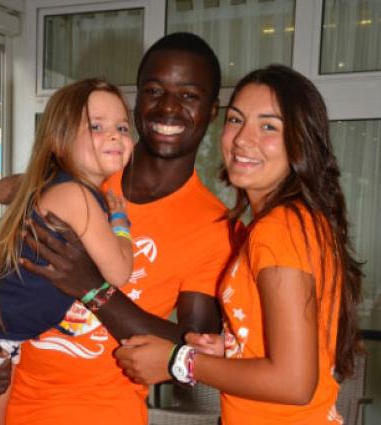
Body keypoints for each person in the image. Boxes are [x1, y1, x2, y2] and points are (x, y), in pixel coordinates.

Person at [0, 33, 233, 425]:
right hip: (8, 395)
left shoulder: (213, 226)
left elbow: (191, 355)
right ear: (137, 102)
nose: (167, 107)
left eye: (189, 96)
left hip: (101, 413)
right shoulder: (85, 173)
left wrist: (89, 286)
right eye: (154, 90)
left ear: (212, 110)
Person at [115, 65, 363, 424]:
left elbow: (294, 382)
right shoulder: (296, 221)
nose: (243, 139)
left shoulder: (280, 230)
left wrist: (178, 361)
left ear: (301, 140)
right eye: (235, 120)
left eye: (268, 126)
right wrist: (232, 351)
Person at [0, 78, 134, 424]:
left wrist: (33, 179)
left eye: (122, 126)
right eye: (96, 126)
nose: (116, 136)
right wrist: (121, 223)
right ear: (59, 140)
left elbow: (0, 191)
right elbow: (118, 273)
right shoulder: (78, 197)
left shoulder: (55, 184)